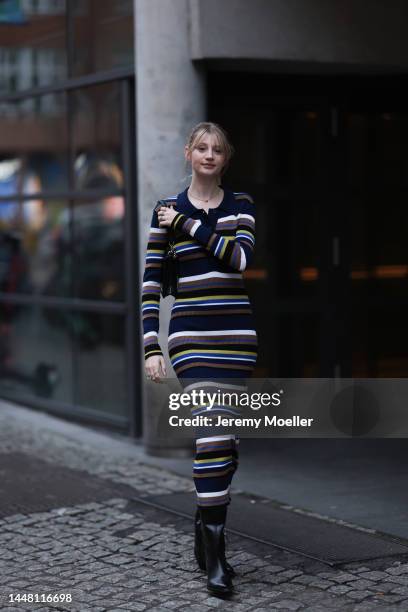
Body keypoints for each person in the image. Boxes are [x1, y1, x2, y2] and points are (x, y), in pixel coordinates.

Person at [141, 122, 258, 596]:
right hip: (191, 338)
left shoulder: (240, 207)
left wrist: (188, 224)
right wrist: (152, 345)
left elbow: (239, 260)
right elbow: (151, 284)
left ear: (225, 158)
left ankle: (203, 519)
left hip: (236, 340)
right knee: (212, 434)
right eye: (201, 148)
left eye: (217, 150)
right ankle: (215, 553)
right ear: (188, 153)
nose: (209, 155)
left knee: (225, 443)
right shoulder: (163, 211)